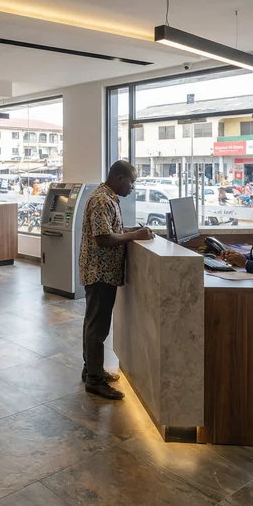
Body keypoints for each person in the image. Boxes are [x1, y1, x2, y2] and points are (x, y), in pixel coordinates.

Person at [79, 160, 154, 400]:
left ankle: (91, 369)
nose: (133, 188)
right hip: (100, 273)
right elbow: (103, 238)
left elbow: (115, 228)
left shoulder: (108, 197)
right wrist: (134, 235)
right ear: (120, 178)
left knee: (93, 323)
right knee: (97, 327)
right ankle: (94, 381)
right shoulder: (102, 199)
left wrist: (135, 231)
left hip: (102, 272)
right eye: (132, 182)